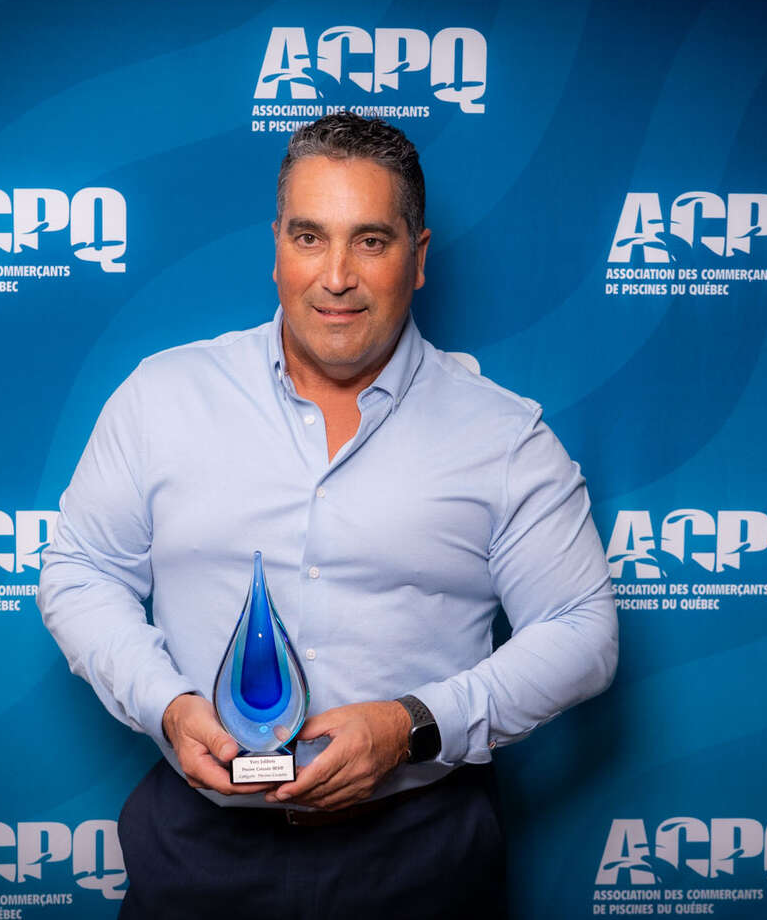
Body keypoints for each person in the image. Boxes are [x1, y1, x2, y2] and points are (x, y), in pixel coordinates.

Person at [38, 112, 618, 919]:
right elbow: (81, 572)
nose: (336, 276)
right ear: (277, 246)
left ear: (417, 256)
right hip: (197, 852)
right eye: (309, 237)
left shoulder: (504, 436)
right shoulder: (162, 397)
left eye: (370, 241)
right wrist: (164, 704)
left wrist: (410, 726)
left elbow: (581, 630)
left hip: (419, 860)